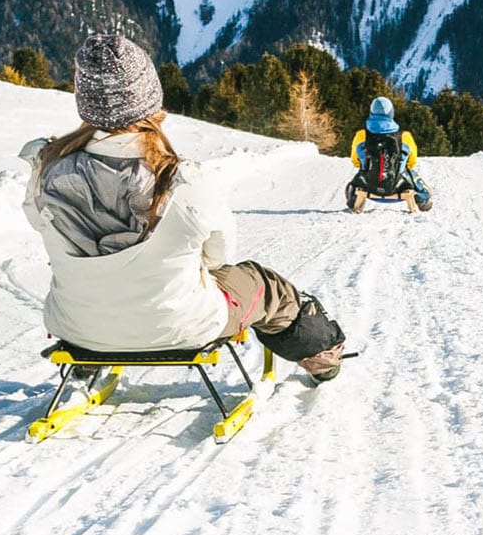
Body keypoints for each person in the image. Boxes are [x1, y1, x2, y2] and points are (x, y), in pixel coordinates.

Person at [21, 33, 345, 382]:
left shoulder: (46, 171)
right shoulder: (181, 179)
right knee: (266, 286)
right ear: (148, 101)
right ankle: (323, 358)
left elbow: (40, 224)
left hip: (77, 327)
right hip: (181, 326)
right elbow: (219, 255)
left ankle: (92, 358)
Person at [347, 97, 433, 212]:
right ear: (391, 113)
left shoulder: (361, 136)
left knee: (355, 179)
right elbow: (412, 163)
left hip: (368, 186)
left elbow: (356, 161)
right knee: (414, 177)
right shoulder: (404, 137)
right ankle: (423, 201)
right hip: (398, 186)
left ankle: (354, 201)